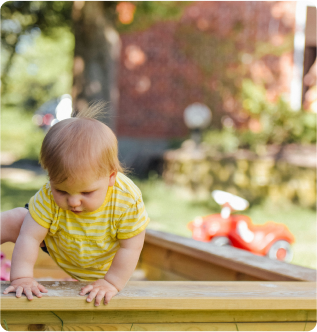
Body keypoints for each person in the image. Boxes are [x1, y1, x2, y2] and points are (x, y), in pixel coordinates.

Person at [0, 103, 149, 306]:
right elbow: (29, 237)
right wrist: (22, 277)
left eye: (86, 192)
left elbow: (131, 247)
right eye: (61, 190)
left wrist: (111, 283)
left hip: (104, 259)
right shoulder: (48, 196)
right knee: (15, 219)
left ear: (111, 177)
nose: (73, 201)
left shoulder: (126, 200)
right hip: (60, 241)